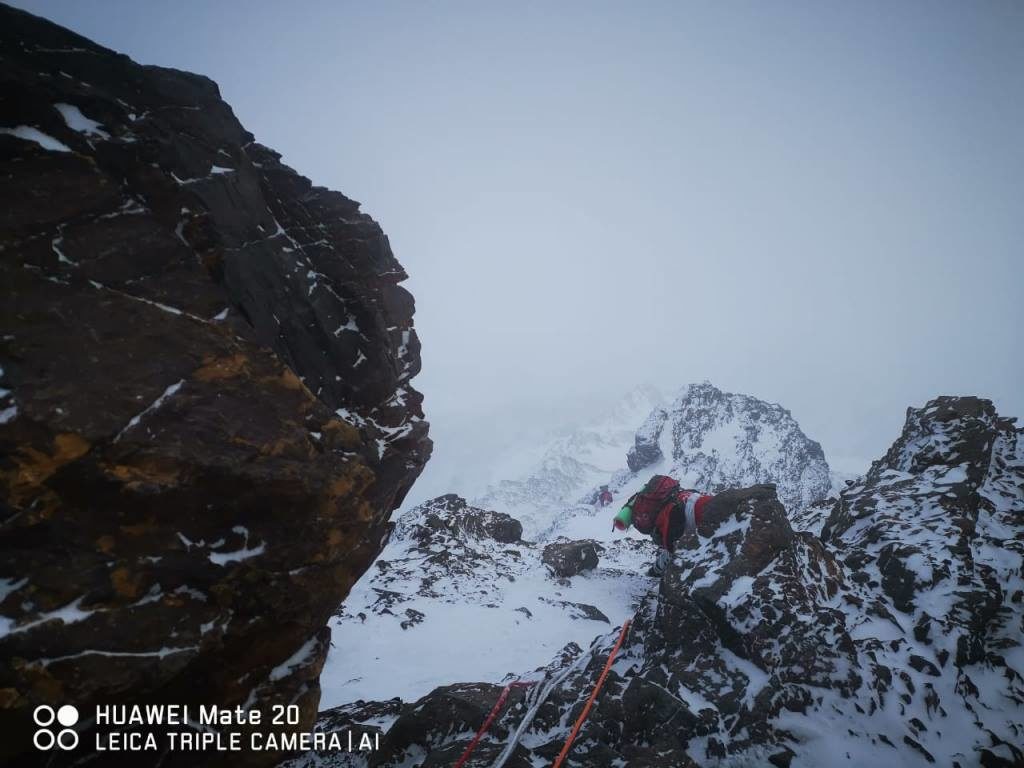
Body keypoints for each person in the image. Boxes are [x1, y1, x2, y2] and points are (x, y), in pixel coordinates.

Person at [612, 474, 714, 574]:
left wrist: (654, 571)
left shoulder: (670, 519)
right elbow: (672, 552)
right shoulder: (673, 512)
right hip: (697, 502)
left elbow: (671, 552)